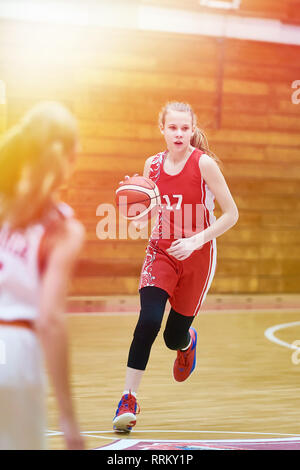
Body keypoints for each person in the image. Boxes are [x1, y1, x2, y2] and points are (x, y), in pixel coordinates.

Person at [113, 101, 239, 432]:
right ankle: (128, 397)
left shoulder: (205, 165)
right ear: (163, 130)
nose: (179, 133)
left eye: (185, 128)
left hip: (197, 256)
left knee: (172, 336)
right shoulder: (151, 166)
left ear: (193, 130)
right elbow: (150, 216)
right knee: (149, 320)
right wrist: (135, 213)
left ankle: (186, 343)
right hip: (162, 252)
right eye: (173, 127)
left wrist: (196, 241)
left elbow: (231, 214)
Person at [0, 101, 85, 449]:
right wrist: (68, 417)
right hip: (16, 352)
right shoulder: (63, 229)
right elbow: (49, 320)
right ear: (71, 158)